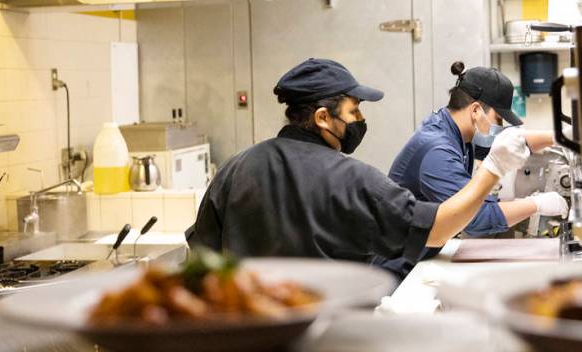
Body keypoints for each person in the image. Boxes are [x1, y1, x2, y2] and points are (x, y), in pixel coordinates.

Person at [185, 58, 531, 271]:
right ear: (323, 117)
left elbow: (202, 255)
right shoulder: (349, 178)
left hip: (247, 337)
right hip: (327, 337)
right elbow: (437, 228)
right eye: (354, 110)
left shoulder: (234, 169)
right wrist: (493, 170)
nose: (360, 119)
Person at [382, 62, 567, 276]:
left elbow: (512, 142)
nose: (500, 126)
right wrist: (537, 204)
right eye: (499, 119)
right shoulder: (437, 149)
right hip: (399, 270)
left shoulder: (454, 129)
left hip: (421, 258)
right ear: (476, 110)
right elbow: (476, 219)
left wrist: (560, 137)